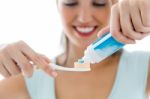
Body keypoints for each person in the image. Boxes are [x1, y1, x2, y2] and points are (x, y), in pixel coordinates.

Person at [0, 0, 150, 99]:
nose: (84, 18)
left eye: (99, 3)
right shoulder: (30, 76)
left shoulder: (144, 68)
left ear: (116, 4)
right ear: (57, 5)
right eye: (71, 2)